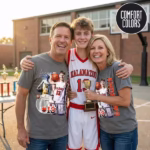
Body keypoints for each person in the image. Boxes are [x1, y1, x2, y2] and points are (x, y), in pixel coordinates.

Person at [20, 17, 133, 150]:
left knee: (92, 147)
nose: (82, 37)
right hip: (74, 108)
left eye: (86, 33)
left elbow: (111, 63)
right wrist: (24, 61)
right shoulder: (68, 55)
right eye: (78, 33)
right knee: (73, 146)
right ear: (73, 38)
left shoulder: (95, 56)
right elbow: (50, 58)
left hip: (92, 109)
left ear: (92, 35)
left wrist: (129, 67)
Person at [15, 22, 73, 150]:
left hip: (62, 134)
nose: (62, 40)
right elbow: (21, 95)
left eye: (66, 37)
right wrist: (20, 128)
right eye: (58, 36)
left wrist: (128, 67)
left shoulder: (72, 65)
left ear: (71, 42)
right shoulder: (33, 63)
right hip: (36, 136)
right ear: (50, 39)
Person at [85, 34, 138, 150]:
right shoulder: (95, 72)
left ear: (108, 51)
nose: (96, 51)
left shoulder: (118, 68)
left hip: (124, 132)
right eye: (92, 48)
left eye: (100, 47)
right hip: (105, 131)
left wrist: (96, 96)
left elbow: (125, 101)